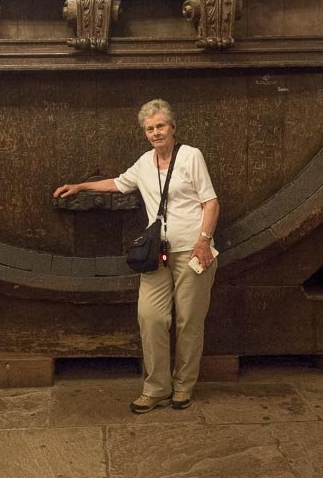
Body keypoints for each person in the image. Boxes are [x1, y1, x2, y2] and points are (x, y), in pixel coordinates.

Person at [53, 98, 219, 413]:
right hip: (156, 254)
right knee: (150, 316)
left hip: (193, 251)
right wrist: (80, 186)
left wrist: (203, 241)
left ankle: (183, 386)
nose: (156, 133)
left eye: (161, 126)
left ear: (173, 127)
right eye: (150, 128)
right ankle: (157, 388)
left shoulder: (190, 156)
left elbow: (211, 202)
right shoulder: (144, 163)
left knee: (189, 321)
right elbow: (118, 184)